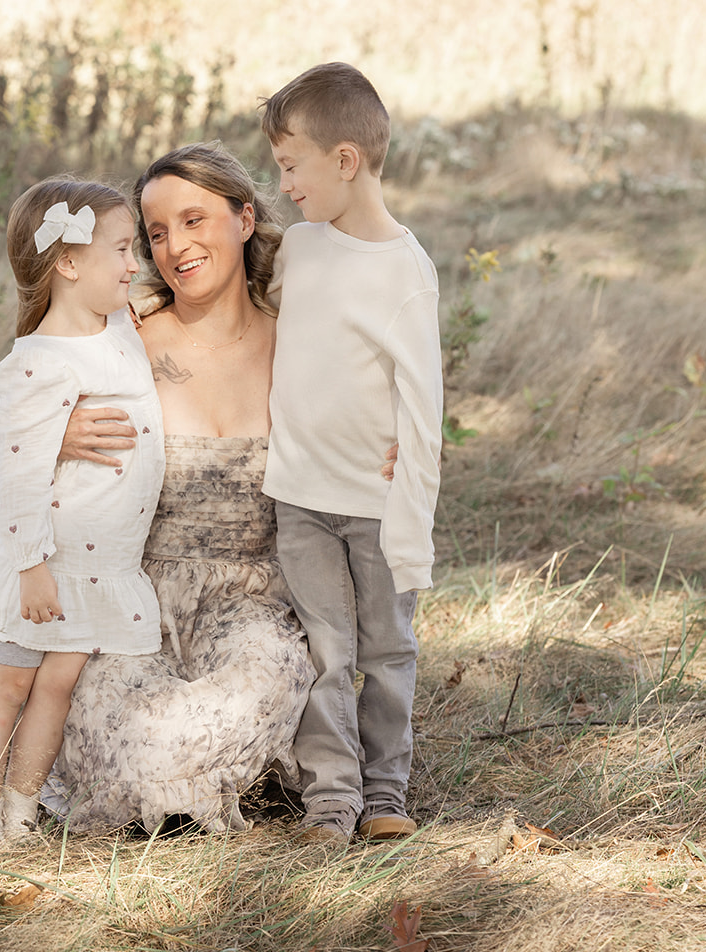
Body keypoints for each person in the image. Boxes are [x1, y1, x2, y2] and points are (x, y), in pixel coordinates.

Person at [43, 144, 317, 834]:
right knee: (127, 731)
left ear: (245, 218)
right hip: (135, 597)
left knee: (248, 688)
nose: (176, 247)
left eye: (194, 221)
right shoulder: (121, 340)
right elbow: (26, 431)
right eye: (157, 232)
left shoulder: (302, 343)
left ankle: (220, 779)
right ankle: (172, 789)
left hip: (255, 599)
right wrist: (58, 431)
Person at [0, 177, 165, 861]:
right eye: (123, 249)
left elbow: (157, 297)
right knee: (9, 683)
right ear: (68, 262)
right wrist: (31, 566)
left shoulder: (119, 325)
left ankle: (21, 812)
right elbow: (17, 479)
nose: (135, 264)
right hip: (43, 564)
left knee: (59, 685)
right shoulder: (39, 363)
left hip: (99, 566)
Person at [261, 62, 443, 847]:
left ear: (344, 159)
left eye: (290, 166)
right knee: (324, 653)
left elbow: (424, 409)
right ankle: (331, 800)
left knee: (387, 650)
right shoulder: (299, 247)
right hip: (298, 494)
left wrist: (412, 525)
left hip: (374, 503)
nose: (286, 185)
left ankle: (386, 790)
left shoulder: (404, 271)